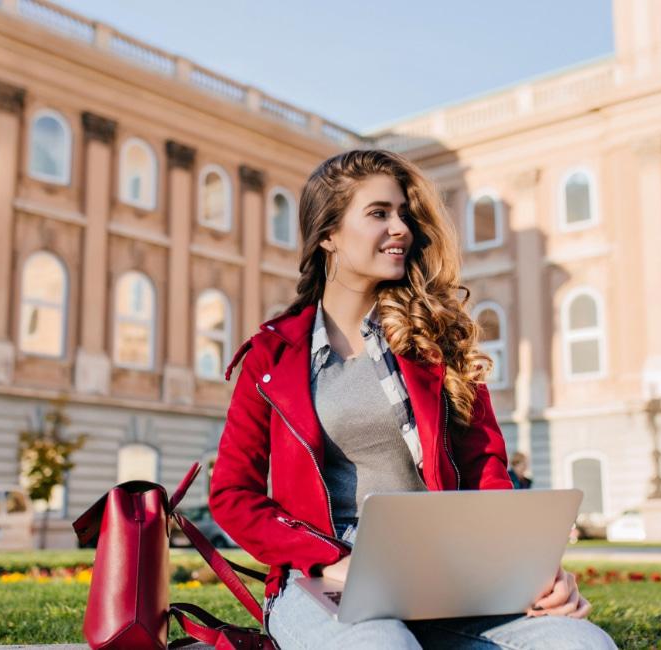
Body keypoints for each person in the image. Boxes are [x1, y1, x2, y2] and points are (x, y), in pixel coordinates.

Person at [210, 150, 615, 649]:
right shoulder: (272, 357)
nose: (400, 227)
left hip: (445, 570)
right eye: (379, 213)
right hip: (322, 573)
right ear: (329, 234)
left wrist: (531, 572)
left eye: (404, 213)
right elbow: (233, 495)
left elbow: (486, 470)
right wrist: (334, 559)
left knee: (581, 644)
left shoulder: (437, 342)